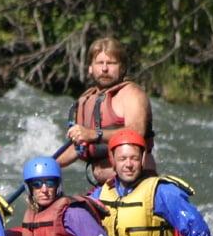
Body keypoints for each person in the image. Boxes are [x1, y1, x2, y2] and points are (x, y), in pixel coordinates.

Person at [91, 128, 212, 236]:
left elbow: (197, 228)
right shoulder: (100, 195)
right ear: (113, 160)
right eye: (122, 159)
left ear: (143, 159)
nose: (128, 164)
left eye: (134, 158)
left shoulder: (162, 191)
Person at [58, 37, 156, 173]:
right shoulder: (86, 99)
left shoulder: (132, 94)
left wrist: (94, 134)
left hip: (136, 181)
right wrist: (47, 164)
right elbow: (77, 148)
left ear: (122, 68)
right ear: (90, 68)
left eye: (111, 63)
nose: (104, 69)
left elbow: (136, 132)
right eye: (99, 63)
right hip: (103, 184)